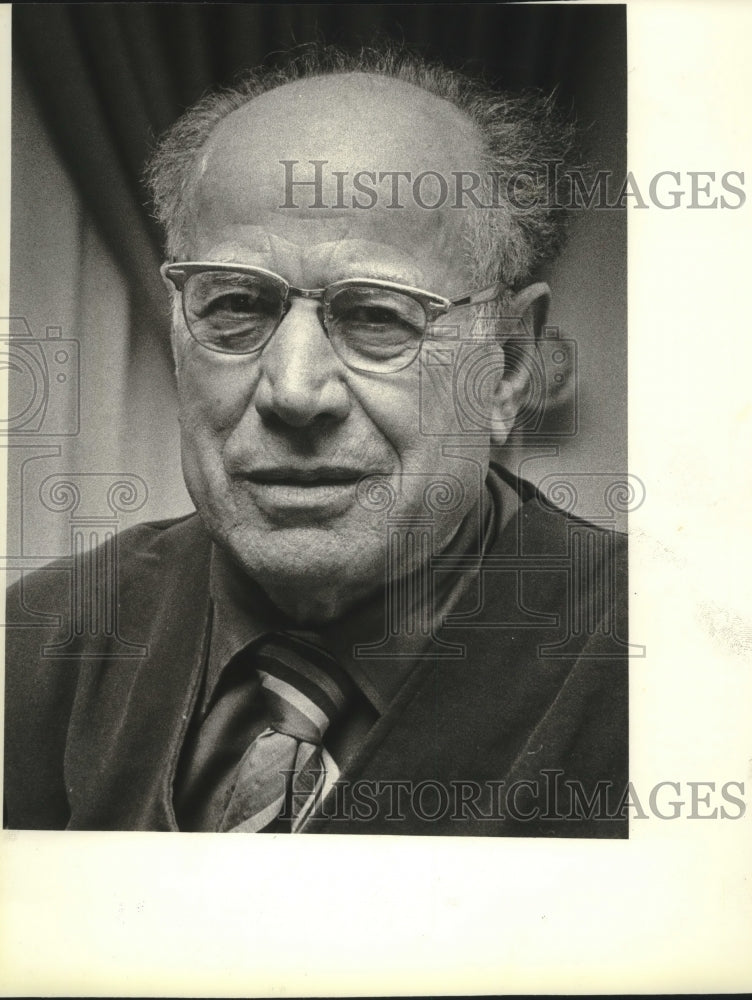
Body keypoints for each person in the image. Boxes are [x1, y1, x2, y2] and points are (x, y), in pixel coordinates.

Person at [4, 46, 628, 836]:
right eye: (234, 303)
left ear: (506, 362)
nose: (294, 390)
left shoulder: (658, 654)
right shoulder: (43, 637)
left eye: (376, 315)